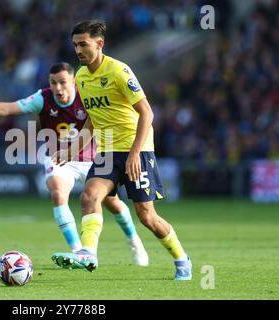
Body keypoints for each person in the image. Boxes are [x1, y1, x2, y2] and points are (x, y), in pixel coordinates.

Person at [0, 62, 149, 266]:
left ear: (73, 82)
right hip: (60, 158)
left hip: (92, 157)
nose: (58, 88)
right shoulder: (43, 98)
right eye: (53, 83)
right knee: (58, 193)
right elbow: (9, 108)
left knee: (112, 203)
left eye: (63, 83)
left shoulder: (87, 95)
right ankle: (78, 251)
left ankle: (134, 241)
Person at [51, 21, 192, 280]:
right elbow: (92, 120)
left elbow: (147, 113)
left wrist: (136, 153)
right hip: (106, 152)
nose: (78, 50)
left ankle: (182, 258)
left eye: (83, 44)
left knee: (147, 217)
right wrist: (72, 149)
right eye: (75, 45)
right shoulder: (81, 76)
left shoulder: (118, 71)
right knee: (89, 196)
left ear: (99, 44)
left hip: (136, 151)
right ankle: (88, 254)